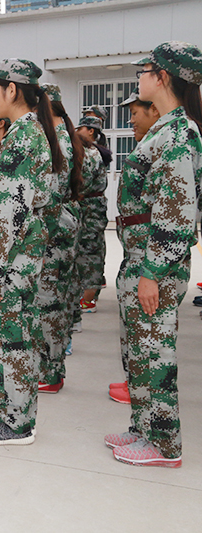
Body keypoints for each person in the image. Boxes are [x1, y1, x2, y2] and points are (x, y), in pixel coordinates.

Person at [106, 41, 202, 468]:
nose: (139, 79)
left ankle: (164, 444)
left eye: (143, 72)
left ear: (162, 77)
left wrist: (153, 272)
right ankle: (143, 428)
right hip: (141, 257)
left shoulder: (179, 133)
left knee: (155, 353)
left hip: (155, 263)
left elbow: (176, 213)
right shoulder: (166, 128)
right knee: (139, 352)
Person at [0, 58, 63, 445]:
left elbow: (11, 211)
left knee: (12, 337)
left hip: (11, 257)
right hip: (19, 253)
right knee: (12, 334)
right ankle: (10, 412)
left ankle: (18, 423)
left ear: (12, 90)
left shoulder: (24, 136)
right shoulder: (28, 133)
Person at [109, 89, 161, 404]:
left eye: (135, 113)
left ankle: (143, 389)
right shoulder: (149, 144)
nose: (130, 120)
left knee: (146, 329)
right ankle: (135, 382)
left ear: (154, 110)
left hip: (146, 252)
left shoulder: (164, 145)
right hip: (135, 250)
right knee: (134, 326)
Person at [36, 83, 84, 394]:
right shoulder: (66, 136)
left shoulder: (57, 141)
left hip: (54, 230)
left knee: (49, 302)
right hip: (64, 226)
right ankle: (53, 366)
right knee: (58, 299)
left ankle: (50, 372)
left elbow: (50, 195)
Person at [74, 116, 108, 318]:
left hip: (90, 209)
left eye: (80, 128)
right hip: (90, 207)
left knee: (90, 252)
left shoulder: (91, 153)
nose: (77, 132)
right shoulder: (91, 151)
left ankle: (88, 299)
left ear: (90, 131)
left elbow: (83, 183)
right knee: (88, 250)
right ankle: (87, 296)